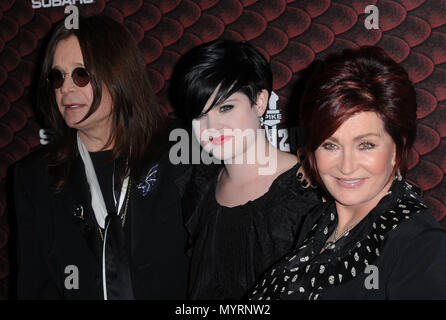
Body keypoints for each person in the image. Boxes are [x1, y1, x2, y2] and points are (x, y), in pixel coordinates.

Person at [13, 15, 189, 299]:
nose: (66, 89)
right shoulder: (34, 176)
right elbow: (35, 285)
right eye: (58, 76)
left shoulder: (181, 152)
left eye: (80, 74)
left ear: (118, 74)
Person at [249, 46, 446, 300]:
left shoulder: (421, 249)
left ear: (397, 148)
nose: (347, 166)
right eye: (330, 145)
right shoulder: (318, 220)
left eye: (366, 145)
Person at [169, 39, 321, 299]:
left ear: (260, 101)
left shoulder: (308, 192)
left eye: (226, 107)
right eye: (199, 114)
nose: (211, 126)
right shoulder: (198, 188)